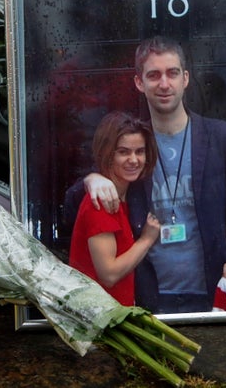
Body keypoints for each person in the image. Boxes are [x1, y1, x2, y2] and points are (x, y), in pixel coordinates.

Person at [65, 36, 226, 314]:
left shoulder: (221, 137)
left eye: (172, 73)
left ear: (186, 78)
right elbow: (72, 208)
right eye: (153, 75)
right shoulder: (132, 143)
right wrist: (92, 179)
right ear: (139, 83)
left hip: (216, 289)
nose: (164, 84)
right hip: (148, 297)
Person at [68, 111, 161, 306]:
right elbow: (109, 274)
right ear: (107, 153)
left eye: (140, 151)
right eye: (124, 152)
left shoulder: (128, 194)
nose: (134, 160)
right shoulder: (100, 201)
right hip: (100, 321)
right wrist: (146, 240)